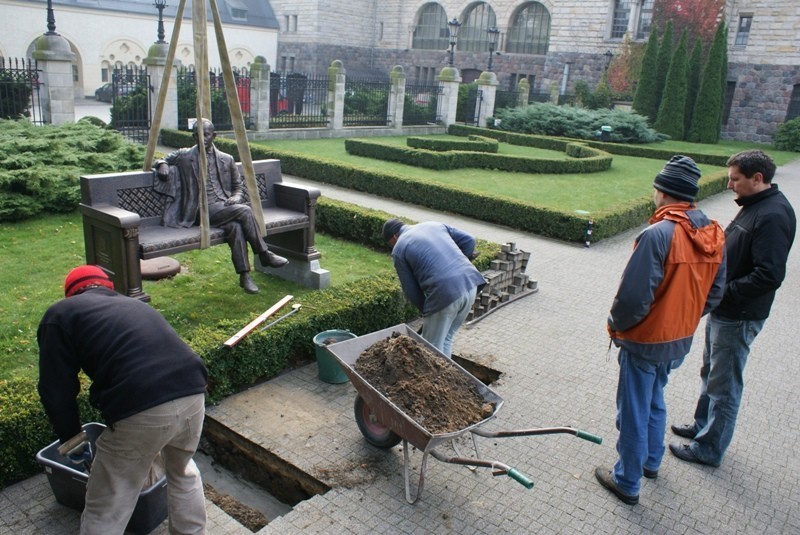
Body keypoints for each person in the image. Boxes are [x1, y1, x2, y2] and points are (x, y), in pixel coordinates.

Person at [38, 265, 209, 534]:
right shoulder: (133, 305)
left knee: (109, 501)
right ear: (107, 287)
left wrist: (71, 440)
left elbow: (55, 390)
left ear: (71, 294)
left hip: (142, 403)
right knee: (182, 471)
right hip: (193, 391)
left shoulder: (60, 314)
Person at [595, 156, 726, 505]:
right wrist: (681, 317)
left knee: (634, 408)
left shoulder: (658, 235)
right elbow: (714, 294)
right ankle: (651, 462)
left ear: (663, 192)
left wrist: (614, 325)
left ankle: (627, 480)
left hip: (646, 341)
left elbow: (632, 299)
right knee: (654, 399)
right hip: (679, 340)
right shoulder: (714, 232)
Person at [670, 149, 796, 467]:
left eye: (735, 179)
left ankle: (709, 448)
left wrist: (725, 293)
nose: (729, 185)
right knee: (711, 371)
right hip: (726, 309)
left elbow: (769, 275)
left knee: (724, 383)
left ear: (757, 179)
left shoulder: (773, 215)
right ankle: (701, 426)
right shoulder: (755, 205)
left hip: (738, 314)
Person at [154, 118, 288, 295]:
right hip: (199, 211)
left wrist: (235, 197)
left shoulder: (227, 159)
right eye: (197, 135)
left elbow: (238, 187)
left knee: (235, 227)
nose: (202, 139)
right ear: (194, 136)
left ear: (214, 136)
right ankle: (263, 254)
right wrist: (162, 165)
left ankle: (244, 276)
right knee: (245, 211)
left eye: (206, 135)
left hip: (223, 207)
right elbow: (160, 159)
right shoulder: (185, 155)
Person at [382, 218, 485, 358]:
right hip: (471, 284)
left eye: (391, 244)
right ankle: (446, 378)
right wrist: (458, 267)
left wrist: (426, 310)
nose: (392, 247)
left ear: (394, 236)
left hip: (445, 294)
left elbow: (410, 289)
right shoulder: (433, 225)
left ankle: (437, 379)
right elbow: (470, 240)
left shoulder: (399, 248)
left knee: (430, 350)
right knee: (446, 339)